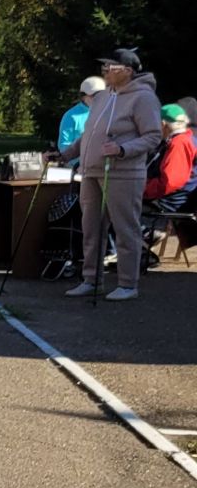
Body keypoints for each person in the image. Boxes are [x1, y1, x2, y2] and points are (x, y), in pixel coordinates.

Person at [60, 48, 161, 301]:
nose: (105, 70)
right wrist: (63, 154)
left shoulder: (143, 98)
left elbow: (153, 136)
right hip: (91, 171)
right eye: (104, 66)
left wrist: (123, 149)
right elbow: (89, 134)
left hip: (123, 173)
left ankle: (128, 283)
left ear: (127, 71)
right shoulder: (104, 96)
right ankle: (92, 279)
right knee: (91, 227)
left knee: (125, 229)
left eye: (111, 67)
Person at [145, 105, 195, 209]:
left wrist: (140, 190)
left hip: (166, 204)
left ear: (163, 124)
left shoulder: (179, 143)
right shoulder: (187, 138)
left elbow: (170, 183)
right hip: (167, 198)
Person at [57, 76, 105, 152]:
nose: (98, 98)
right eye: (94, 95)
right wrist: (77, 162)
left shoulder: (108, 112)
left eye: (102, 95)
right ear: (83, 97)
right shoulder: (70, 116)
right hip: (79, 162)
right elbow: (64, 146)